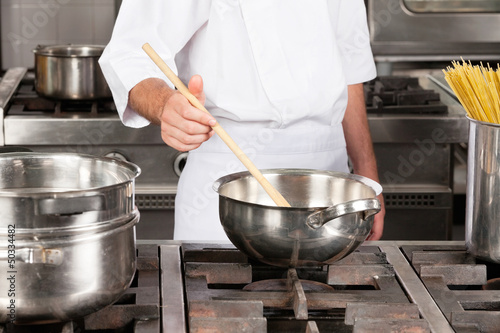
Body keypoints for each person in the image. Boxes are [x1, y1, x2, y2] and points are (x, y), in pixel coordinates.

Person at [99, 0, 385, 241]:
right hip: (226, 186)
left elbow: (350, 66)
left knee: (332, 306)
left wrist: (368, 178)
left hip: (331, 188)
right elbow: (131, 53)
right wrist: (165, 105)